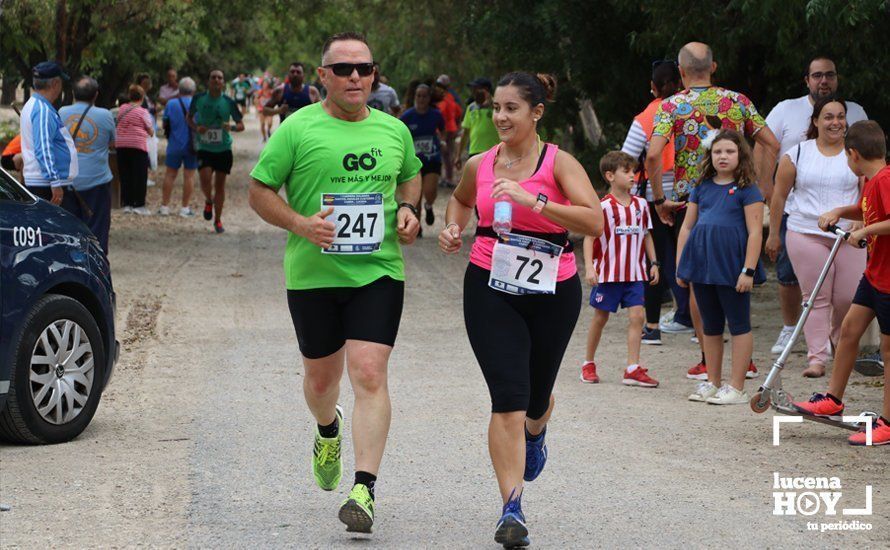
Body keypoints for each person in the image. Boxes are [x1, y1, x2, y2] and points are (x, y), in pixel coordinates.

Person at [248, 32, 422, 534]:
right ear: (322, 75)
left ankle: (364, 488)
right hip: (313, 275)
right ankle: (328, 428)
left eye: (363, 68)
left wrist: (409, 209)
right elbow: (258, 191)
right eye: (342, 69)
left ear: (374, 75)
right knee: (322, 381)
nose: (354, 77)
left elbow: (410, 175)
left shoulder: (394, 130)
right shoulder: (297, 129)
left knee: (369, 373)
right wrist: (302, 224)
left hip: (379, 272)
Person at [438, 72, 602, 548]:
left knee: (536, 396)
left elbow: (595, 219)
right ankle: (512, 507)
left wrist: (537, 201)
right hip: (490, 283)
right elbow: (460, 202)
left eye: (512, 108)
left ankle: (538, 429)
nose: (502, 117)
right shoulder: (479, 163)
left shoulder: (559, 162)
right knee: (508, 395)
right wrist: (453, 229)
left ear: (536, 113)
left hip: (554, 289)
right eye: (497, 109)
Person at [647, 41, 778, 380]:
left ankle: (709, 359)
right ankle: (742, 362)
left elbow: (651, 156)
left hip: (696, 201)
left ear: (680, 71)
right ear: (714, 67)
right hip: (739, 199)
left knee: (697, 280)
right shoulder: (738, 101)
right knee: (736, 278)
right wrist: (760, 187)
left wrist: (661, 200)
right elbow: (772, 143)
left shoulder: (670, 105)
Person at [755, 56, 869, 357]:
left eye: (829, 75)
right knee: (806, 290)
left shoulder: (857, 123)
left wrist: (862, 220)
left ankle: (836, 339)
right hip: (803, 225)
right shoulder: (787, 113)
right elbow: (766, 148)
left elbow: (867, 184)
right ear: (807, 79)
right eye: (817, 75)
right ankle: (814, 352)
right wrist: (766, 196)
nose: (824, 81)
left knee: (846, 296)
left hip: (849, 233)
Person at [790, 121, 890, 445]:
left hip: (888, 282)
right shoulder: (873, 181)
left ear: (853, 154)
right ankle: (832, 398)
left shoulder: (886, 180)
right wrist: (839, 211)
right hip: (874, 276)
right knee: (848, 331)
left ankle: (887, 421)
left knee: (889, 350)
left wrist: (864, 232)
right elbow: (867, 209)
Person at [677, 130, 764, 405]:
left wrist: (748, 270)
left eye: (729, 151)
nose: (723, 156)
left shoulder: (748, 189)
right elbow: (687, 227)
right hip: (702, 266)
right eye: (717, 152)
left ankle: (737, 387)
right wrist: (681, 266)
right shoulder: (701, 186)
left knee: (739, 325)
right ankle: (713, 381)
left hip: (733, 268)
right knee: (710, 326)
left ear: (740, 155)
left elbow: (755, 233)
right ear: (710, 155)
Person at [582, 151, 660, 386]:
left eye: (633, 171)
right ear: (610, 176)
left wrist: (654, 263)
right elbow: (588, 238)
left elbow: (647, 235)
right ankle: (588, 363)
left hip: (635, 274)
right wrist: (589, 268)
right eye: (626, 171)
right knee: (600, 317)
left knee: (638, 316)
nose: (632, 176)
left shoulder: (641, 204)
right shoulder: (602, 207)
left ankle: (632, 368)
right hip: (608, 273)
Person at [620, 60, 683, 345]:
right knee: (686, 257)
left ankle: (653, 326)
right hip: (691, 197)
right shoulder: (694, 111)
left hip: (654, 200)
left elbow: (627, 159)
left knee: (655, 259)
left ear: (653, 88)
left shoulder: (645, 118)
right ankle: (694, 321)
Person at [59, 76, 116, 252]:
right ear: (96, 95)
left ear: (73, 94)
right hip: (96, 181)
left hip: (67, 181)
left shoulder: (61, 113)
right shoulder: (105, 115)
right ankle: (96, 263)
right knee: (97, 229)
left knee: (68, 228)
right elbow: (112, 144)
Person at [188, 69, 245, 233]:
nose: (216, 80)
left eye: (220, 78)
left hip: (223, 149)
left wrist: (232, 126)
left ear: (223, 82)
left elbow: (241, 126)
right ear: (209, 81)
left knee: (220, 185)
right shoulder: (198, 99)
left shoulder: (228, 102)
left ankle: (218, 220)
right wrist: (196, 128)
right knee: (205, 179)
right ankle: (208, 200)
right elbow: (189, 118)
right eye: (213, 77)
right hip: (205, 147)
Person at [20, 61, 78, 205]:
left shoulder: (35, 105)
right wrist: (55, 182)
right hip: (44, 184)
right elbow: (43, 149)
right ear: (55, 83)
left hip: (41, 181)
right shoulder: (42, 111)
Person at [399, 84, 445, 229]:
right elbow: (399, 135)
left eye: (424, 96)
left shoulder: (436, 115)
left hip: (432, 159)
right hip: (413, 161)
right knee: (416, 196)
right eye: (418, 95)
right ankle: (416, 227)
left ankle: (429, 205)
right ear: (414, 97)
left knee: (430, 192)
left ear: (429, 98)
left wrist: (442, 141)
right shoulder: (407, 116)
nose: (421, 99)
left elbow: (443, 130)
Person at [159, 77, 198, 217]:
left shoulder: (171, 104)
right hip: (192, 146)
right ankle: (185, 208)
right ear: (193, 90)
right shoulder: (197, 104)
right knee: (189, 177)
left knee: (169, 175)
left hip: (174, 145)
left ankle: (164, 207)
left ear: (179, 90)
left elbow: (165, 124)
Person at [116, 84, 155, 215]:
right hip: (138, 146)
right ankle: (139, 205)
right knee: (139, 176)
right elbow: (150, 130)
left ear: (129, 96)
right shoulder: (143, 112)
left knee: (125, 175)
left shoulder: (122, 108)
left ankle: (126, 204)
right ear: (142, 97)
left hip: (121, 145)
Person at [457, 77, 499, 167]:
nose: (474, 91)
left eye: (477, 88)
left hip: (493, 151)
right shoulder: (471, 108)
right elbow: (465, 133)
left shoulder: (497, 105)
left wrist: (492, 103)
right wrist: (458, 155)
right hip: (474, 151)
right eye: (473, 89)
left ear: (486, 90)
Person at [434, 81, 462, 187]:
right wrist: (457, 125)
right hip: (452, 128)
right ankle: (448, 177)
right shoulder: (451, 98)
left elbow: (440, 115)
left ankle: (447, 178)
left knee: (445, 155)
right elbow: (459, 111)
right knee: (448, 154)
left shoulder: (443, 100)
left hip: (445, 130)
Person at [255, 75, 275, 142]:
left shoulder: (271, 92)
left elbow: (275, 100)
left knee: (270, 123)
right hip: (262, 110)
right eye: (264, 84)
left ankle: (269, 130)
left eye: (266, 84)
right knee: (262, 124)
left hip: (269, 110)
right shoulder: (260, 92)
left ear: (268, 84)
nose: (265, 85)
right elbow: (256, 99)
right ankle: (264, 137)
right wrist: (257, 108)